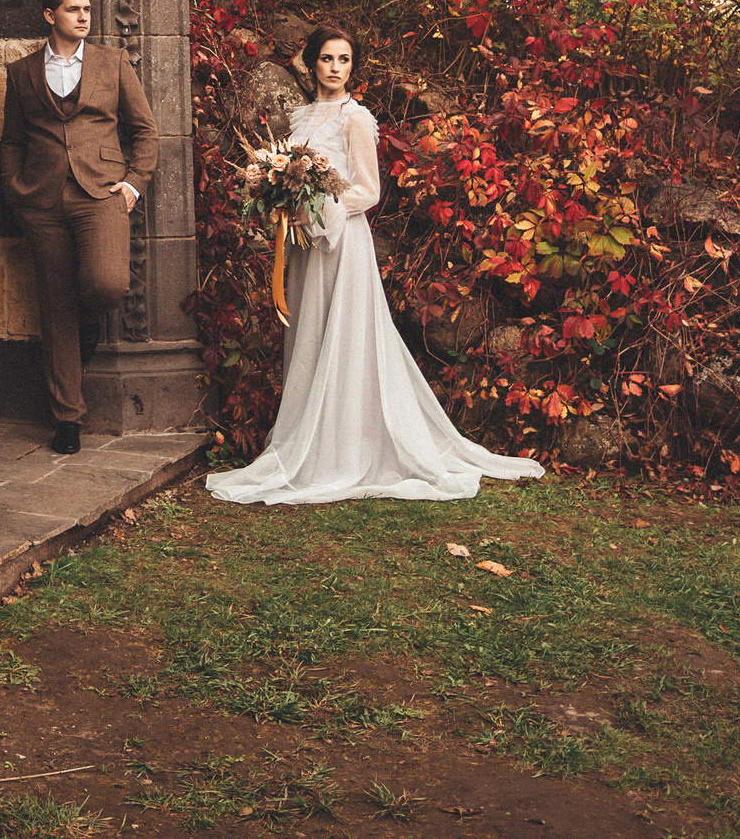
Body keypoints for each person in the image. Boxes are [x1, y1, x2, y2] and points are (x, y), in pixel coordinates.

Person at [206, 27, 545, 504]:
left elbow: (367, 191)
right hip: (306, 244)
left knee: (348, 337)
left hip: (343, 241)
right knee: (309, 332)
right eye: (327, 58)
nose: (336, 68)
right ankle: (306, 435)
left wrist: (321, 207)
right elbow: (290, 173)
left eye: (344, 59)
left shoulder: (355, 119)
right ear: (311, 63)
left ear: (352, 66)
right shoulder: (300, 116)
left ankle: (349, 447)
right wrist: (282, 200)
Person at [0, 0, 159, 455]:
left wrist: (132, 185)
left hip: (101, 194)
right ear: (50, 16)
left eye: (88, 9)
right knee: (55, 307)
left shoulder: (113, 63)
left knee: (106, 285)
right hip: (42, 200)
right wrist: (16, 190)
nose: (85, 17)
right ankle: (67, 417)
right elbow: (11, 141)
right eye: (74, 10)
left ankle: (90, 325)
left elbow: (145, 130)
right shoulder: (22, 72)